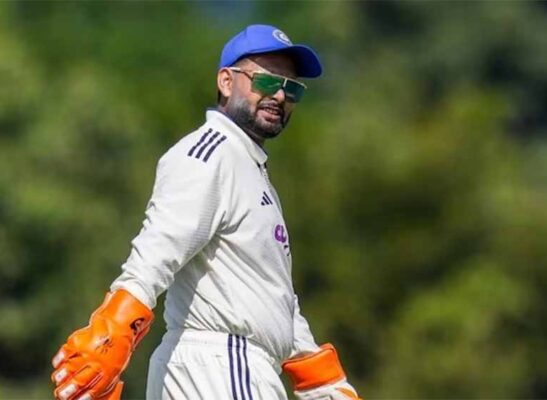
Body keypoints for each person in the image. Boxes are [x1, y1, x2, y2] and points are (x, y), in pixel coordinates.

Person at [50, 24, 360, 400]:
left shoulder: (250, 169)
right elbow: (159, 247)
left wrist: (325, 383)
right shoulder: (212, 152)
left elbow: (271, 295)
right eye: (266, 81)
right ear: (226, 82)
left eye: (291, 88)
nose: (280, 95)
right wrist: (113, 327)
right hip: (223, 362)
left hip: (233, 366)